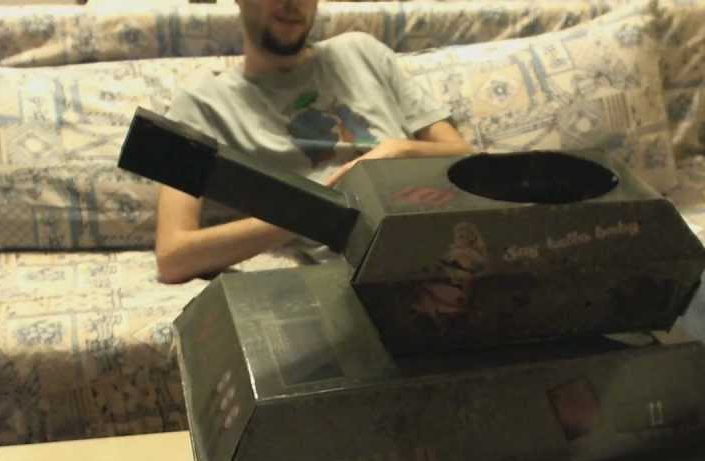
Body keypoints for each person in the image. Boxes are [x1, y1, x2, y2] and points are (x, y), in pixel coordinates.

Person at [155, 0, 473, 283]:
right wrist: (318, 207)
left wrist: (399, 152)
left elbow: (464, 157)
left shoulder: (363, 52)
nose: (292, 2)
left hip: (455, 232)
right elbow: (173, 256)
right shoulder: (202, 103)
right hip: (373, 268)